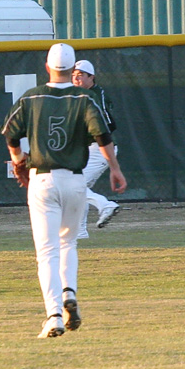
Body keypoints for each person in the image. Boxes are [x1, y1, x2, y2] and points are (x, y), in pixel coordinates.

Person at [0, 43, 126, 338]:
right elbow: (103, 135)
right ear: (72, 70)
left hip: (42, 179)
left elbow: (10, 132)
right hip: (75, 180)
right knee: (68, 243)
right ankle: (70, 291)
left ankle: (54, 315)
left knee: (47, 252)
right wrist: (116, 169)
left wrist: (18, 160)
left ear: (47, 67)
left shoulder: (32, 97)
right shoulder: (84, 97)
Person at [72, 59, 120, 237]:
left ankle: (105, 205)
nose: (76, 79)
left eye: (80, 76)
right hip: (87, 148)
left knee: (74, 185)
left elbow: (109, 124)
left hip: (99, 149)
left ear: (91, 77)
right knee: (79, 188)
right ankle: (80, 231)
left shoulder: (95, 95)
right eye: (73, 76)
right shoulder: (78, 94)